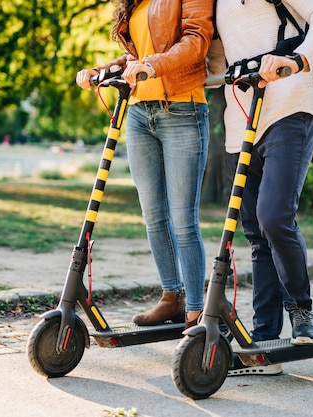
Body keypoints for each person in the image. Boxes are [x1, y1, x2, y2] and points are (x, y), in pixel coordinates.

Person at [207, 0, 313, 374]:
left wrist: (298, 60)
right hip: (242, 120)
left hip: (290, 105)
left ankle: (300, 308)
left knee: (274, 216)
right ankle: (265, 338)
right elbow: (216, 62)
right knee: (255, 230)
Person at [76, 0, 213, 329]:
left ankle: (196, 311)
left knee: (183, 220)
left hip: (182, 109)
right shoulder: (136, 2)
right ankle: (171, 297)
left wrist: (152, 66)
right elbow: (136, 57)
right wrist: (102, 71)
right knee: (153, 215)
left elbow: (196, 41)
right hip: (139, 112)